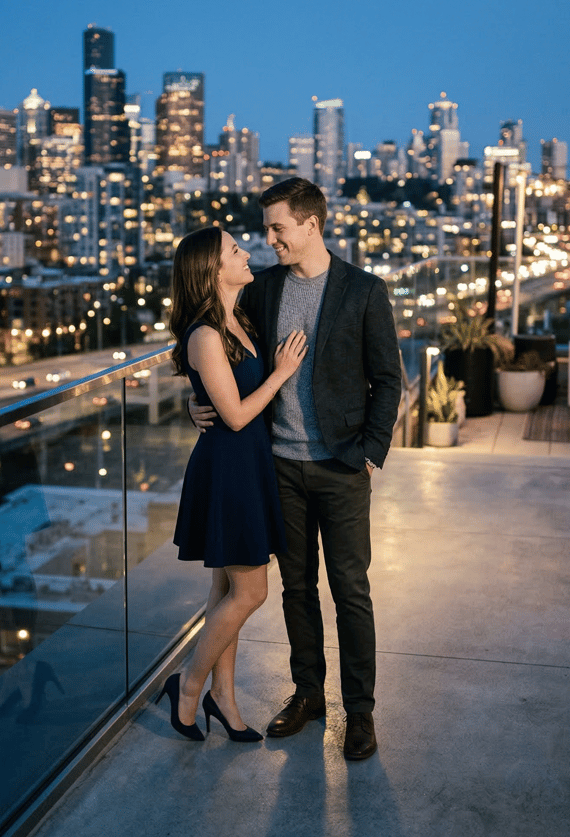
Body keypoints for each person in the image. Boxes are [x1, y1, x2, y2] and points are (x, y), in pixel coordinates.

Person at [191, 178, 401, 760]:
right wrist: (195, 400)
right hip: (277, 466)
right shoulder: (263, 289)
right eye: (266, 230)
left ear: (311, 225)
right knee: (296, 589)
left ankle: (360, 712)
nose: (270, 240)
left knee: (350, 590)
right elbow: (219, 345)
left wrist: (369, 452)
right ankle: (308, 694)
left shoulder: (364, 290)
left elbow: (388, 380)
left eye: (278, 228)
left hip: (341, 466)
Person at [158, 225, 308, 743]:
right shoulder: (204, 334)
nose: (247, 253)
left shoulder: (237, 320)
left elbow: (220, 395)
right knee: (251, 591)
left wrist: (197, 400)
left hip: (247, 463)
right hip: (229, 470)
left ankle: (223, 697)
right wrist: (282, 372)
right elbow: (238, 415)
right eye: (234, 250)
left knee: (225, 589)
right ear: (212, 269)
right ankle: (188, 684)